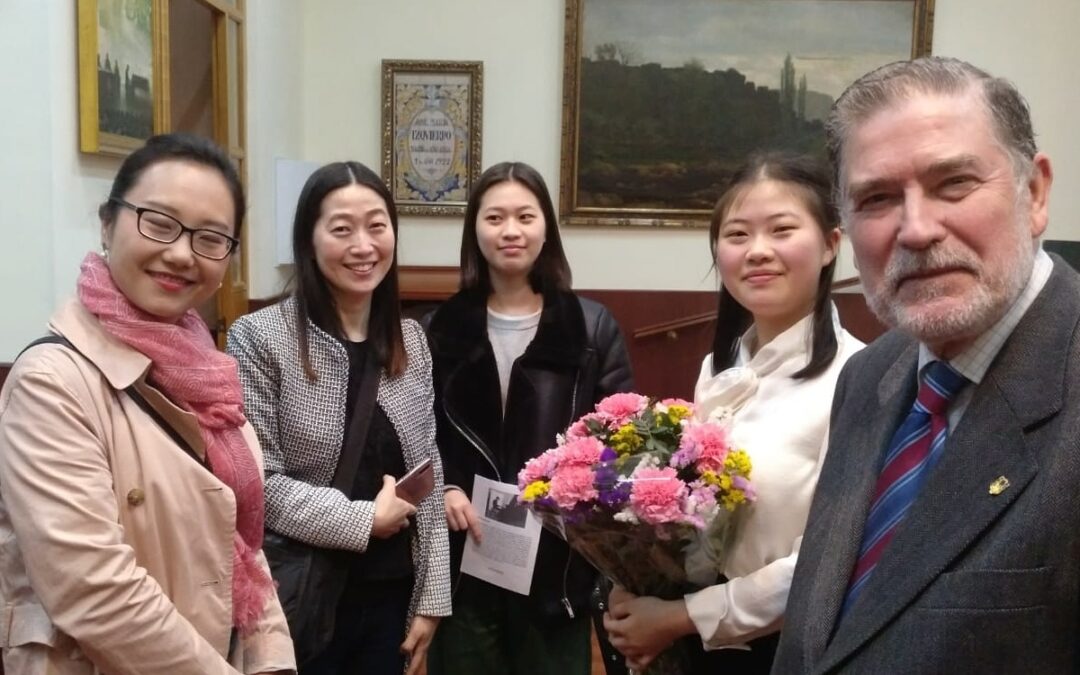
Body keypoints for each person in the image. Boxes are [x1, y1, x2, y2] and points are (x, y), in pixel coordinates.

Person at [772, 56, 1079, 673]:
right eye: (877, 197)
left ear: (1035, 192)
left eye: (954, 184)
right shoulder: (871, 375)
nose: (914, 229)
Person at [0, 133, 295, 673]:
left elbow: (244, 550)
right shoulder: (52, 382)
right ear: (108, 222)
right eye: (158, 223)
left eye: (211, 238)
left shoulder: (209, 374)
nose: (182, 254)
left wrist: (272, 661)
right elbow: (95, 592)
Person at [601, 152, 864, 673]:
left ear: (832, 243)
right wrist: (637, 582)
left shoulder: (856, 378)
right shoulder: (717, 372)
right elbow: (700, 517)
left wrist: (679, 617)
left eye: (783, 230)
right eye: (738, 235)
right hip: (704, 644)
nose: (758, 252)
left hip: (787, 651)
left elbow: (826, 564)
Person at [226, 161, 451, 674]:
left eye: (377, 225)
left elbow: (427, 472)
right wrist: (365, 519)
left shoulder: (410, 340)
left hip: (391, 595)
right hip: (299, 593)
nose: (364, 245)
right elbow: (260, 484)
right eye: (342, 229)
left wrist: (431, 600)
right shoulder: (260, 338)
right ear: (309, 238)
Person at [424, 161, 634, 675]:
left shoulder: (590, 326)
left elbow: (620, 441)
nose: (511, 231)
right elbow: (419, 431)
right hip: (464, 555)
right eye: (495, 218)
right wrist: (446, 487)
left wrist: (576, 499)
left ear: (546, 228)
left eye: (525, 216)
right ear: (475, 228)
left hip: (557, 562)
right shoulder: (439, 329)